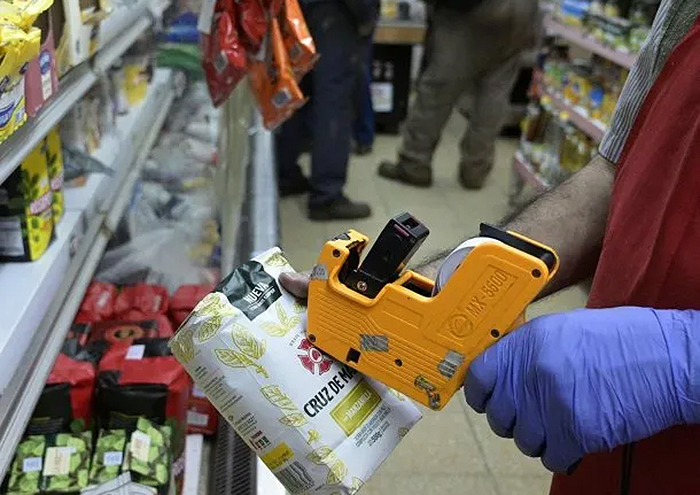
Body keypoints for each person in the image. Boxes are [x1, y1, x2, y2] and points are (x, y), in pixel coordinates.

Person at [278, 0, 700, 492]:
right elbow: (613, 174)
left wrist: (685, 364)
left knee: (441, 85)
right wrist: (417, 295)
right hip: (597, 446)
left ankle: (417, 158)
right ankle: (474, 166)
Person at [378, 0, 540, 189]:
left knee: (437, 91)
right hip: (522, 13)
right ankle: (475, 171)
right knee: (494, 93)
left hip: (474, 13)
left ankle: (414, 163)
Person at [275, 0, 378, 221]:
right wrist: (366, 14)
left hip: (301, 9)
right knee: (334, 101)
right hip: (336, 12)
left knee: (302, 88)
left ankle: (284, 172)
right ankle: (327, 195)